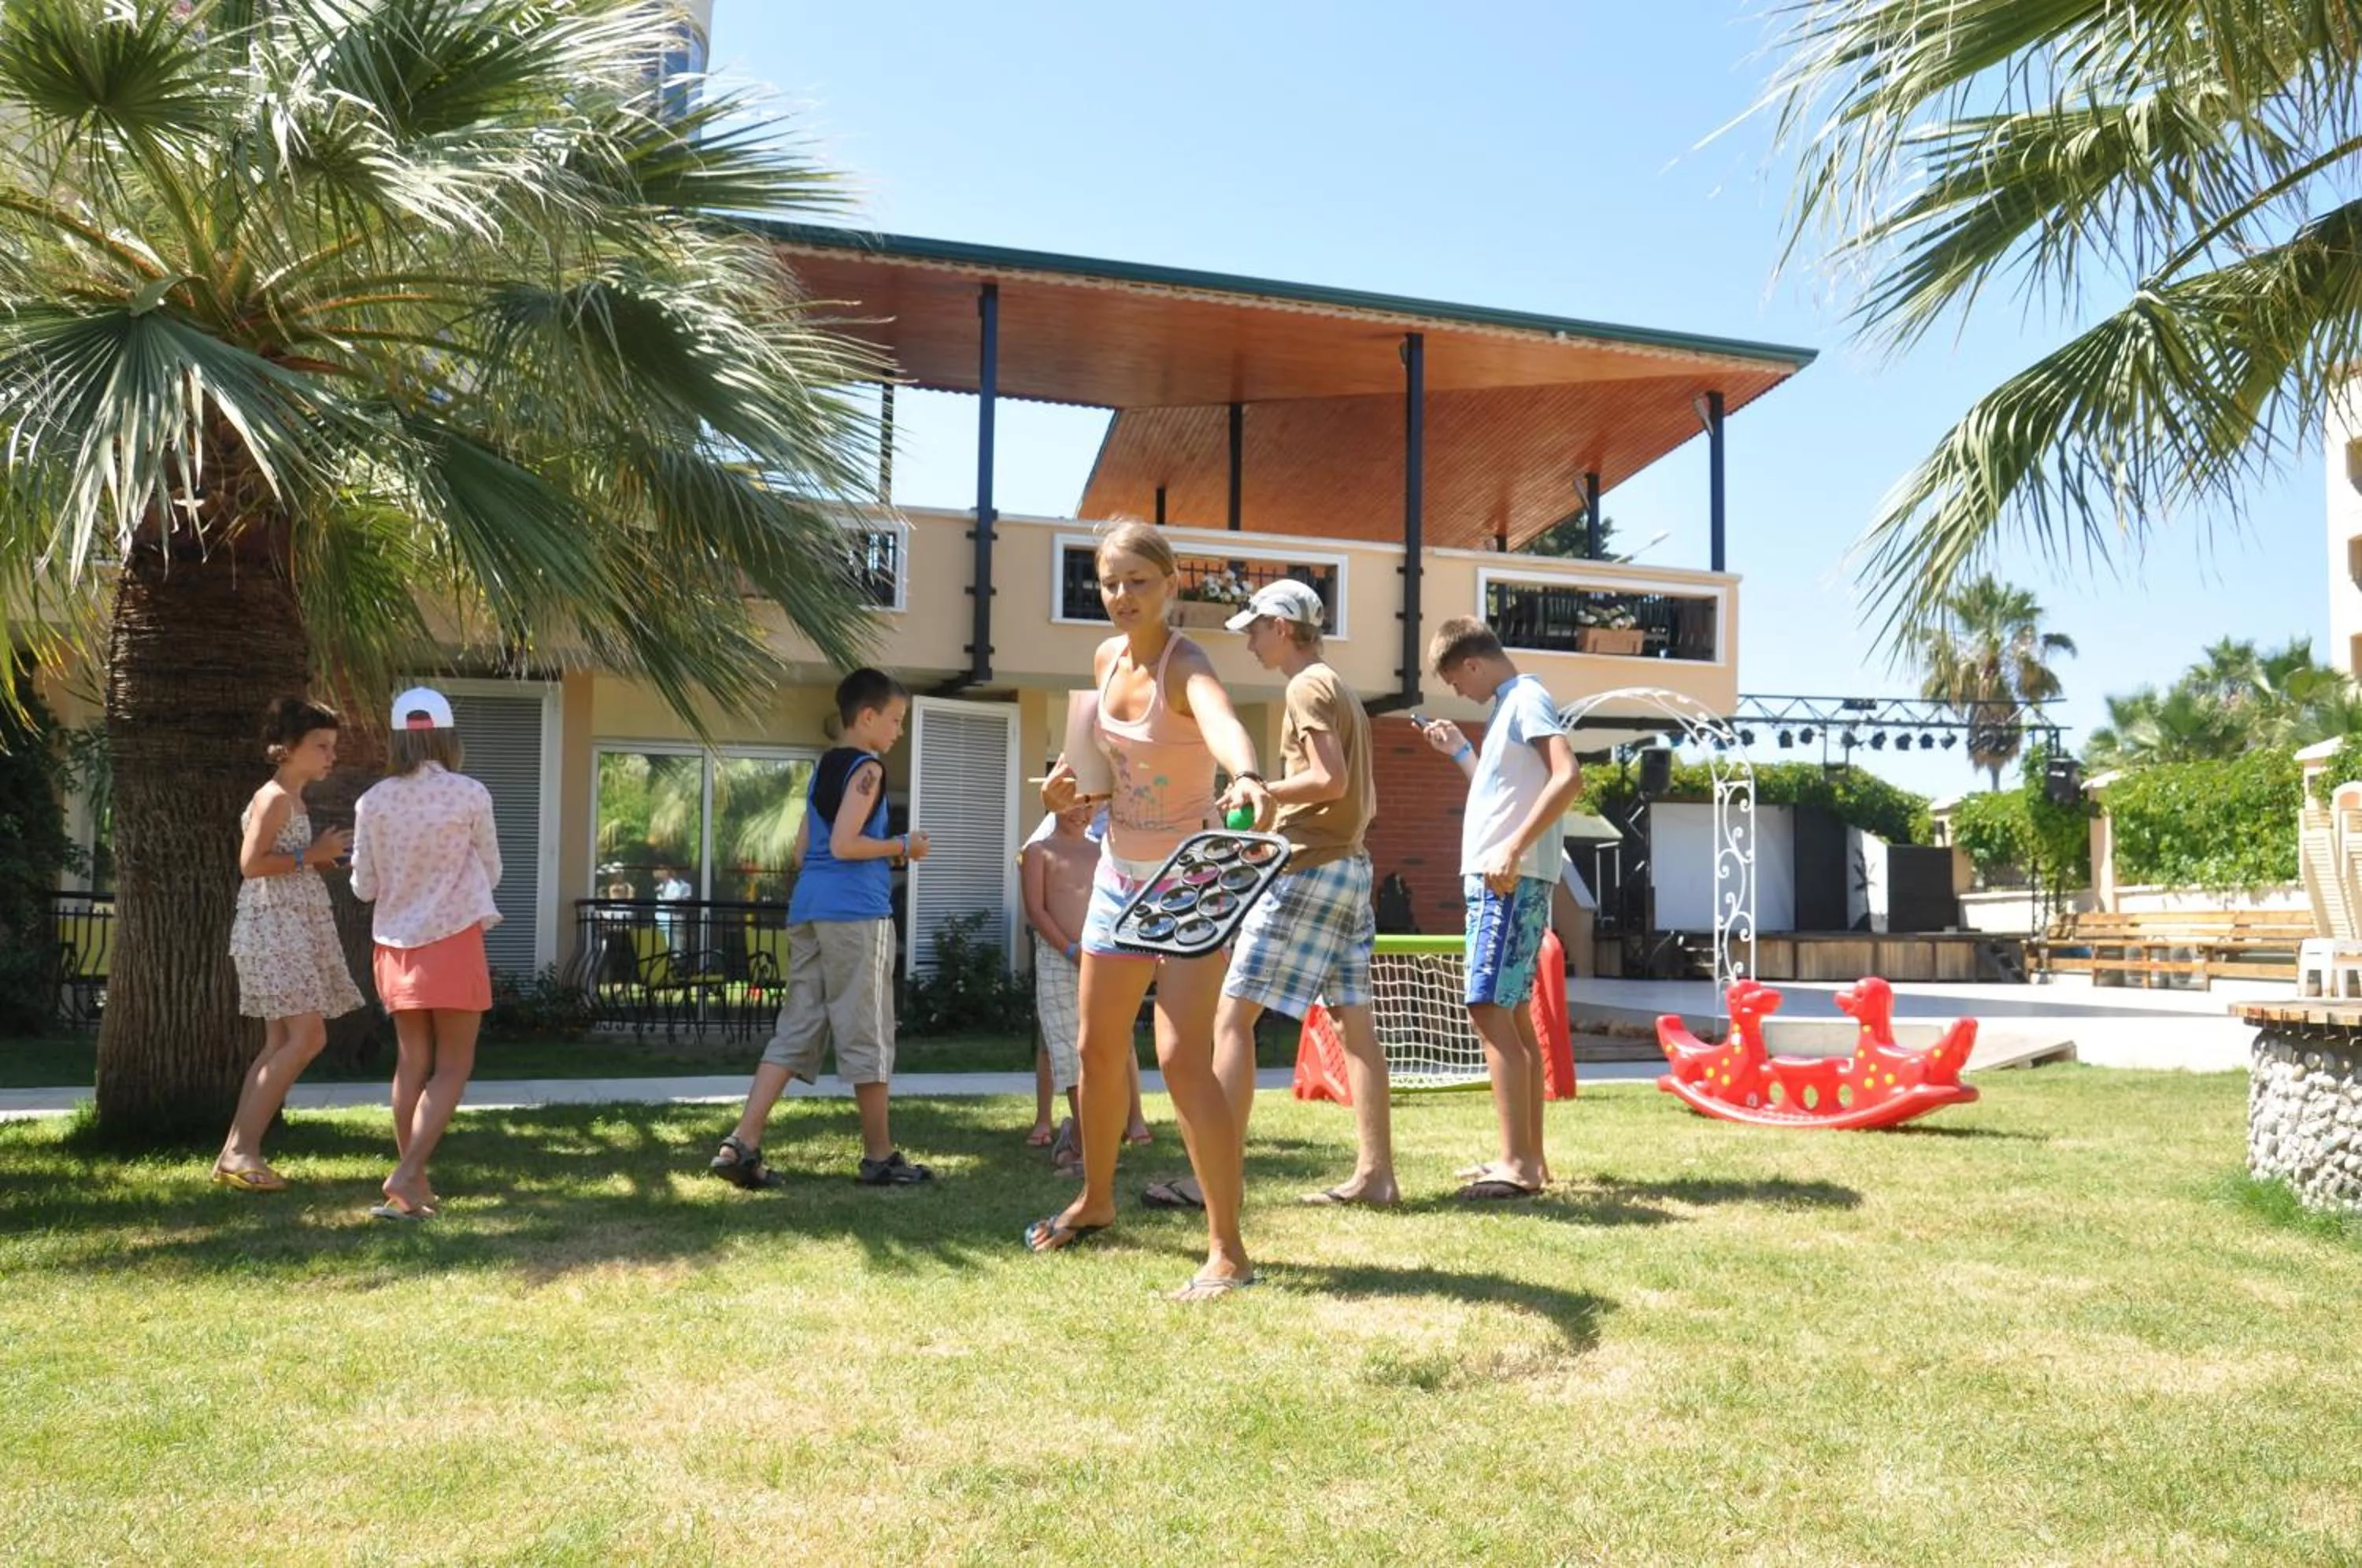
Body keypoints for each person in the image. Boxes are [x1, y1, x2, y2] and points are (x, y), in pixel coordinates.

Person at [1028, 521, 1274, 1302]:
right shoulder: (1104, 661)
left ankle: (1228, 1249)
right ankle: (1097, 1200)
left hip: (1189, 880)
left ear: (1171, 585)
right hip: (1118, 874)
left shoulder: (1185, 663)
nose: (1123, 595)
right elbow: (1090, 773)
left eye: (1139, 580)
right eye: (1110, 582)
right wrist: (1058, 794)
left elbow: (1222, 719)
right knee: (1097, 1049)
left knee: (1179, 1058)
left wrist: (1246, 772)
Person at [1209, 579, 1398, 1207]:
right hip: (1349, 867)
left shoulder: (1306, 685)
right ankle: (1376, 1178)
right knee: (1355, 1027)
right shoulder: (1338, 686)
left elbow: (1327, 779)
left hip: (1312, 868)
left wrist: (1257, 789)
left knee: (1233, 1018)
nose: (1250, 643)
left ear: (1283, 627)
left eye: (1255, 629)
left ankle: (1214, 1179)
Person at [709, 668, 934, 1189]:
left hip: (808, 909)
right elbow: (844, 846)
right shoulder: (868, 771)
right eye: (896, 720)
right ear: (868, 716)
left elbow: (802, 849)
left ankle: (742, 1142)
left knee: (798, 1026)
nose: (899, 731)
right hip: (855, 914)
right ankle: (880, 1158)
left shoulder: (823, 769)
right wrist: (904, 847)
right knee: (869, 1034)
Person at [1417, 618, 1583, 1200]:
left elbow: (1568, 777)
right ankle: (1527, 1159)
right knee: (1509, 1015)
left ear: (1472, 664)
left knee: (1488, 1008)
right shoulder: (1507, 708)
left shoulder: (1527, 699)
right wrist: (1461, 752)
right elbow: (1499, 795)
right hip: (1502, 878)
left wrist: (1512, 849)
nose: (1457, 693)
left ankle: (1517, 1164)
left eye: (1454, 681)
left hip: (1506, 881)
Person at [350, 686, 502, 1221]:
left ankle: (414, 1186)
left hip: (394, 945)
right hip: (454, 938)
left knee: (411, 1062)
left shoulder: (372, 801)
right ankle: (406, 1172)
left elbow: (363, 887)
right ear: (447, 735)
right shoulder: (470, 794)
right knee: (454, 1065)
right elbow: (493, 868)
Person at [214, 697, 366, 1192]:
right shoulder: (275, 797)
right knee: (306, 1038)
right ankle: (240, 1151)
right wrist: (311, 853)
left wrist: (319, 857)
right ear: (288, 748)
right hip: (273, 929)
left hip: (288, 925)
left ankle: (237, 1152)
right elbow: (251, 864)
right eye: (320, 746)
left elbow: (280, 861)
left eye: (332, 747)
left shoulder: (292, 798)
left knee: (282, 1041)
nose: (330, 756)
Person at [1020, 804, 1151, 1170]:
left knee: (1101, 1050)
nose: (1081, 812)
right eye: (1072, 804)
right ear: (1053, 803)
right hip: (1058, 959)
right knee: (1065, 1050)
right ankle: (1085, 1146)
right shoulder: (1038, 851)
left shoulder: (1102, 852)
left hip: (1102, 958)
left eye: (1087, 804)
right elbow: (1036, 910)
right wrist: (1070, 949)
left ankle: (1085, 1142)